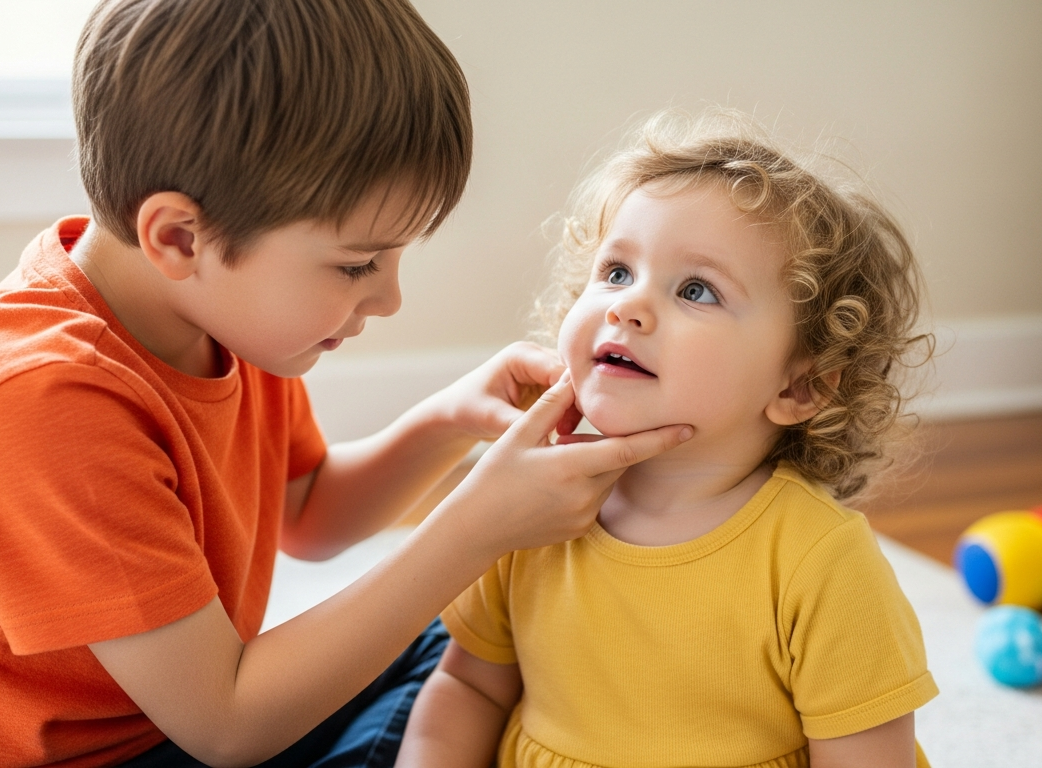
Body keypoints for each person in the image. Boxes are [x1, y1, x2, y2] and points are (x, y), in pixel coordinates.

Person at [0, 2, 693, 766]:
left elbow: (307, 513)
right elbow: (228, 725)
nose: (390, 298)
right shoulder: (39, 401)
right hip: (114, 745)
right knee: (461, 642)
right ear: (180, 236)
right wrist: (474, 527)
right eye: (358, 263)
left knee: (476, 639)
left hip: (172, 722)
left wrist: (448, 422)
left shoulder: (218, 314)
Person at [396, 110, 940, 768]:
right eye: (617, 272)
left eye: (695, 290)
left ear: (799, 387)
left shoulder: (822, 563)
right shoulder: (528, 506)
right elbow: (470, 687)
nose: (626, 306)